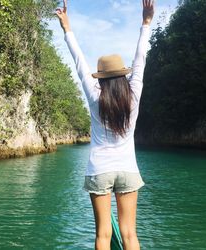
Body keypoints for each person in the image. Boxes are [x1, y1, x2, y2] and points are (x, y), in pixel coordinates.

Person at [56, 1, 154, 249]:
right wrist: (146, 22)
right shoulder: (133, 95)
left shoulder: (94, 96)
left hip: (99, 169)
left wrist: (67, 28)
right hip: (128, 168)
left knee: (102, 234)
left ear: (101, 77)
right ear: (123, 75)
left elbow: (79, 62)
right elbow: (141, 58)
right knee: (130, 234)